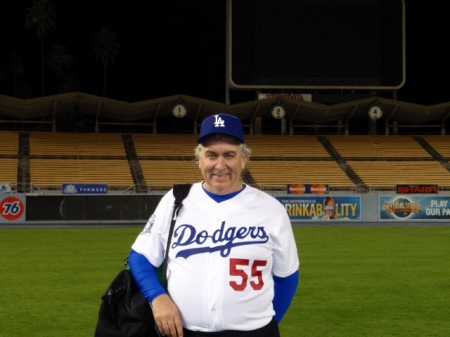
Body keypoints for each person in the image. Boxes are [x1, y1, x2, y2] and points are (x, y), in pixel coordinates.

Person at [128, 113, 300, 337]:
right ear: (200, 160)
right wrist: (157, 297)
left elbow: (287, 275)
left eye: (229, 155)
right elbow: (140, 255)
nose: (220, 165)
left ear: (243, 160)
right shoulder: (175, 200)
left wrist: (268, 322)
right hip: (185, 332)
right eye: (211, 155)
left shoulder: (270, 209)